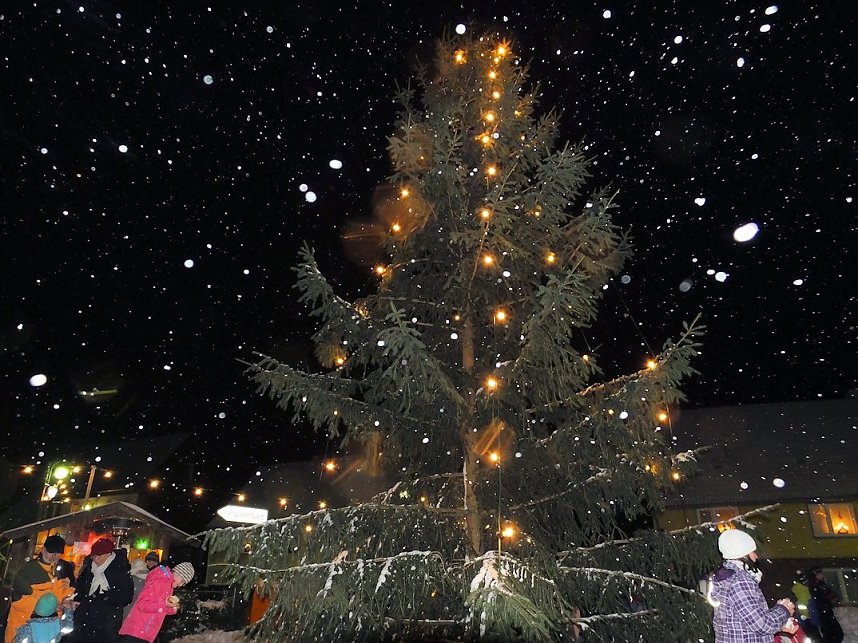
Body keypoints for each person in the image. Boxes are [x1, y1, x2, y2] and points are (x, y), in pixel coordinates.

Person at [708, 529, 798, 642]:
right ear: (742, 554)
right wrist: (784, 610)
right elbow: (761, 625)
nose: (756, 556)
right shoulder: (739, 581)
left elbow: (743, 623)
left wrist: (780, 625)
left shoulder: (726, 579)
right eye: (752, 552)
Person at [5, 534, 74, 643]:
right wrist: (49, 608)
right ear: (43, 549)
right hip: (26, 629)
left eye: (58, 553)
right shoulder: (29, 570)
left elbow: (59, 592)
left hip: (47, 630)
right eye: (51, 551)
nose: (54, 556)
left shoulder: (57, 570)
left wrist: (67, 600)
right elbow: (17, 600)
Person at [70, 538, 134, 642]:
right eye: (94, 556)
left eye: (99, 556)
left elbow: (126, 596)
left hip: (107, 621)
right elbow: (80, 587)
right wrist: (78, 599)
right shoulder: (89, 569)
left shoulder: (119, 570)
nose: (96, 559)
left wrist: (104, 598)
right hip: (85, 618)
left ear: (109, 554)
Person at [119, 562, 194, 643]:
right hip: (138, 631)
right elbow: (142, 604)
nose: (181, 584)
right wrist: (164, 604)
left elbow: (158, 607)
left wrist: (171, 608)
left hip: (143, 632)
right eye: (182, 580)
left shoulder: (168, 584)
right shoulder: (161, 581)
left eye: (184, 583)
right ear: (177, 573)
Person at [807, 567, 844, 643]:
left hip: (826, 612)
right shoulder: (815, 586)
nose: (822, 575)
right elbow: (823, 599)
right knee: (833, 634)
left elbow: (833, 598)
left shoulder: (820, 585)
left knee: (834, 634)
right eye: (819, 574)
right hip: (822, 613)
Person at [791, 570, 821, 641]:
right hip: (808, 619)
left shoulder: (800, 589)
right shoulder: (802, 590)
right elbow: (806, 606)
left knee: (811, 637)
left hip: (806, 619)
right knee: (815, 638)